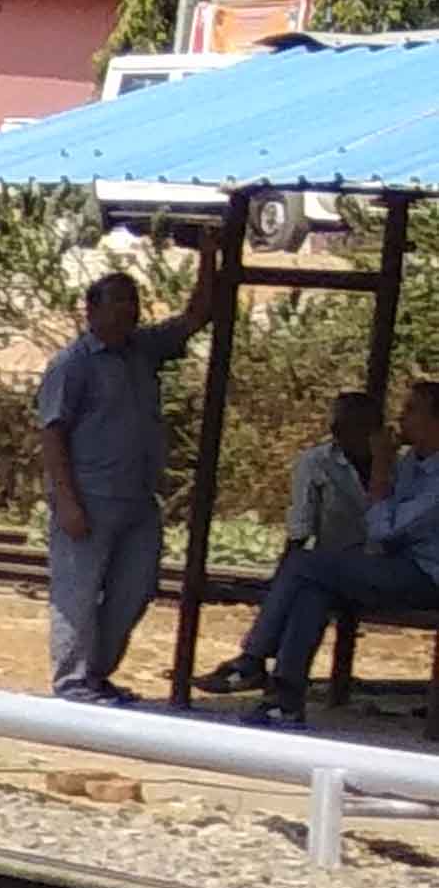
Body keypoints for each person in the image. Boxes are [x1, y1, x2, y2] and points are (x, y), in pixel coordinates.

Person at [31, 235, 236, 702]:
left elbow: (197, 316)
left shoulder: (142, 351)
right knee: (78, 594)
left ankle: (97, 673)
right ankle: (73, 683)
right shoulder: (72, 366)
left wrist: (209, 256)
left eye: (133, 301)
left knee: (135, 589)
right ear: (92, 310)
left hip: (138, 498)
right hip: (90, 497)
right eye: (118, 301)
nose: (129, 311)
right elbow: (53, 433)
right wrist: (67, 502)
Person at [249, 391, 439, 716]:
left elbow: (383, 530)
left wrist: (380, 469)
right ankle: (285, 695)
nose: (400, 418)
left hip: (427, 576)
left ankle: (253, 657)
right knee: (314, 588)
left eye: (411, 410)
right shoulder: (412, 462)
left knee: (305, 564)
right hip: (396, 566)